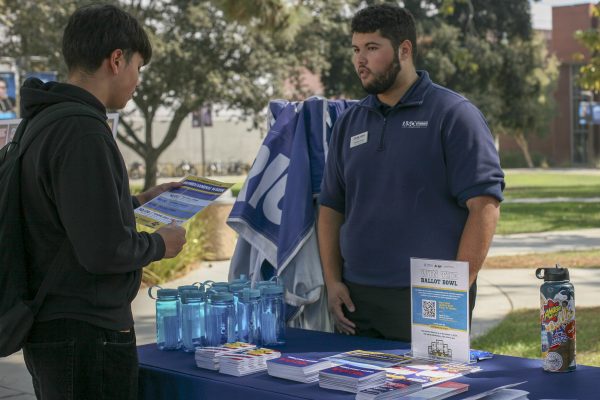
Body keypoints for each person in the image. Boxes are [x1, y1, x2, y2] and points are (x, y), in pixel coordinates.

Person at [19, 5, 187, 399]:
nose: (137, 81)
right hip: (86, 333)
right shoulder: (82, 131)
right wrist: (162, 244)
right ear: (116, 60)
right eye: (138, 68)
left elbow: (67, 214)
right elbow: (103, 250)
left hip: (56, 327)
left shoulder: (45, 121)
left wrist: (140, 200)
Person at [318, 4, 504, 342]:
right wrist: (332, 282)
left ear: (405, 50)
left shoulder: (454, 115)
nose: (360, 59)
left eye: (372, 48)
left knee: (429, 394)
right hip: (356, 299)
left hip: (430, 296)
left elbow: (485, 206)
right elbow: (331, 207)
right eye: (356, 50)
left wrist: (457, 289)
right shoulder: (349, 122)